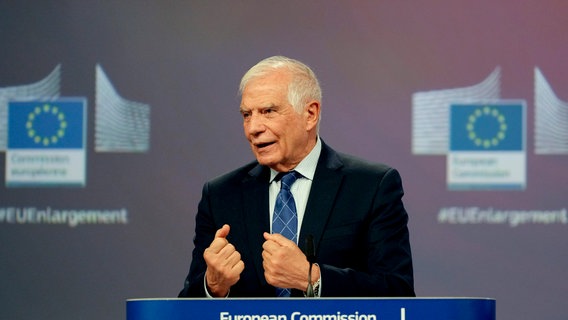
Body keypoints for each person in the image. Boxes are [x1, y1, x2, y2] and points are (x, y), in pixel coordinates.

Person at [178, 55, 414, 298]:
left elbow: (398, 292)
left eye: (268, 111)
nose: (253, 128)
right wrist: (213, 286)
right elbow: (184, 305)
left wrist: (311, 278)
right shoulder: (220, 195)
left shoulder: (371, 186)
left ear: (310, 114)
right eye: (247, 115)